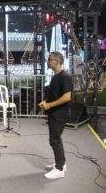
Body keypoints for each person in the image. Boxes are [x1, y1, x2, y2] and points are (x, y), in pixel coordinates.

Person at [39, 52, 73, 180]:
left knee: (54, 139)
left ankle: (59, 169)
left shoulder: (66, 76)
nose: (48, 61)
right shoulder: (55, 77)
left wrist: (50, 105)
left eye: (50, 59)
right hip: (54, 112)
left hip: (60, 113)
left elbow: (67, 97)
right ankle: (61, 164)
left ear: (57, 61)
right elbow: (54, 95)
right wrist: (46, 103)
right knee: (55, 139)